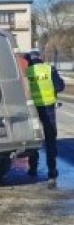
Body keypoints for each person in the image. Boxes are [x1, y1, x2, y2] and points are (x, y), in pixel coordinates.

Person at [24, 50, 65, 188]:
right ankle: (52, 172)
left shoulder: (25, 72)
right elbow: (59, 86)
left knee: (34, 138)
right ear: (40, 58)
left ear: (29, 59)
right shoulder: (49, 69)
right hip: (48, 109)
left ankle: (33, 168)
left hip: (32, 109)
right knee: (50, 139)